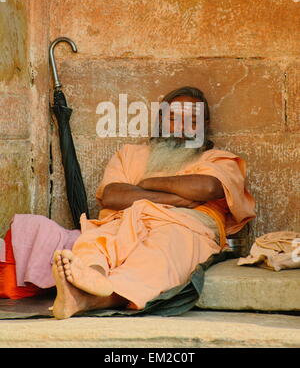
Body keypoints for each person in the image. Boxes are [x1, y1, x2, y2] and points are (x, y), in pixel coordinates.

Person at [0, 86, 256, 319]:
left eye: (191, 121)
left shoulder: (219, 159)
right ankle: (91, 279)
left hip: (183, 228)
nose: (180, 127)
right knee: (95, 241)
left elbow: (208, 187)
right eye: (173, 118)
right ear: (160, 121)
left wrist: (143, 185)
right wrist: (172, 195)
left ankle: (84, 298)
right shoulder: (130, 154)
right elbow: (112, 195)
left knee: (160, 252)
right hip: (120, 223)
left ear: (204, 126)